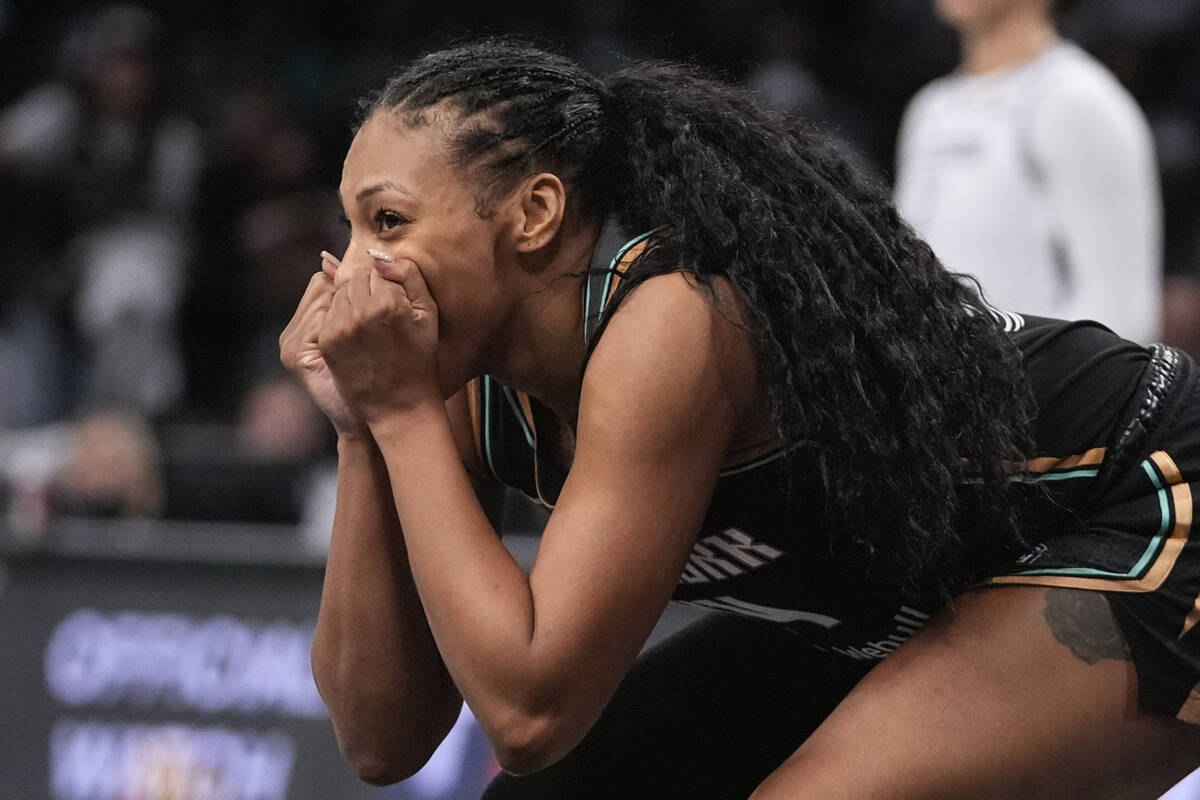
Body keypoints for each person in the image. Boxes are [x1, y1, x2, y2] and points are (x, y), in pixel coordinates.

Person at [278, 40, 1200, 798]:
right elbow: (380, 740)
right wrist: (365, 429)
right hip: (923, 585)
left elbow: (530, 711)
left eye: (388, 222)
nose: (356, 269)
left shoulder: (672, 322)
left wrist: (397, 412)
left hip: (1146, 495)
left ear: (535, 212)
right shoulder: (456, 382)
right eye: (350, 230)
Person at [894, 0, 1163, 345]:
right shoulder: (931, 109)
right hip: (941, 384)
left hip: (1032, 387)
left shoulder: (1078, 100)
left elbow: (1123, 317)